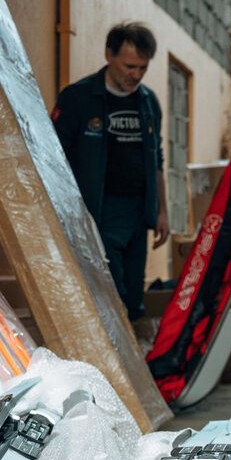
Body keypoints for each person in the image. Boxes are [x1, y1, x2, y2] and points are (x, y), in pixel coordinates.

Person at [52, 22, 170, 320]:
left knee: (133, 297)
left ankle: (135, 364)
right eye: (130, 66)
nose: (137, 75)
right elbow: (53, 159)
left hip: (138, 213)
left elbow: (157, 159)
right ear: (109, 55)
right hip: (98, 212)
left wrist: (161, 211)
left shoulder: (148, 102)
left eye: (143, 68)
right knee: (110, 296)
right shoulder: (78, 98)